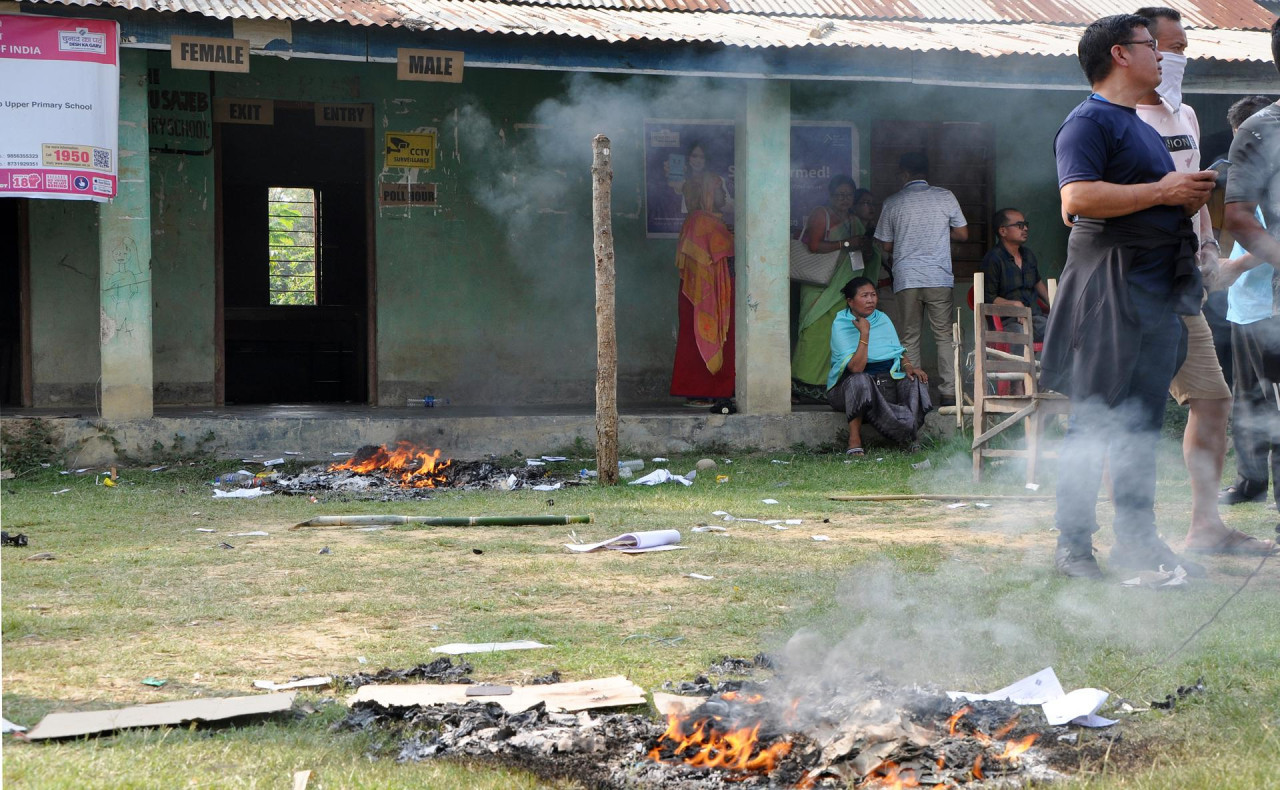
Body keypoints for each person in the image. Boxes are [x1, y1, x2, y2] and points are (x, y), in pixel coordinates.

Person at [1044, 14, 1217, 579]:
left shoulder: (1138, 125)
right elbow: (1077, 200)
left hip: (1155, 287)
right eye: (1152, 47)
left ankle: (1138, 540)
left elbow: (1147, 197)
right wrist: (1164, 190)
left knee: (1141, 420)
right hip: (1109, 285)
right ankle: (1073, 548)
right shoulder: (1087, 123)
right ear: (1120, 54)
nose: (1163, 57)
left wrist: (1184, 199)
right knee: (1094, 417)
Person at [1128, 7, 1272, 556]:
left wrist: (1209, 249)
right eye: (1172, 47)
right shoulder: (1113, 121)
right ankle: (1127, 540)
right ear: (1135, 49)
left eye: (1185, 48)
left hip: (1183, 286)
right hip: (1133, 286)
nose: (1180, 59)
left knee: (1213, 399)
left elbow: (1198, 202)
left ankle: (1205, 527)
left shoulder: (1184, 116)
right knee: (1125, 413)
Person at [1223, 24, 1280, 517]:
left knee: (1263, 403)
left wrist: (1230, 266)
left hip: (1261, 303)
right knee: (1252, 403)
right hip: (1252, 305)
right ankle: (1251, 480)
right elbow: (1244, 224)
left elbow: (1258, 241)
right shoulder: (1260, 142)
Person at [874, 152, 967, 407]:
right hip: (938, 276)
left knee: (910, 336)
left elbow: (886, 244)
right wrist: (937, 233)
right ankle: (950, 392)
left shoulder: (893, 202)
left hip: (906, 278)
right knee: (944, 336)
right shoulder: (945, 196)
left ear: (904, 174)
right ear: (926, 173)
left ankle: (914, 392)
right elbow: (962, 233)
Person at [791, 176, 880, 402]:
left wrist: (867, 249)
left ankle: (828, 385)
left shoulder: (853, 219)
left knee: (837, 335)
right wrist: (847, 243)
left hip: (843, 288)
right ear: (830, 196)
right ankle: (803, 385)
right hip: (820, 288)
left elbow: (862, 253)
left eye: (848, 195)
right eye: (839, 195)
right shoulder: (822, 214)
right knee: (814, 334)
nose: (844, 199)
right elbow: (813, 245)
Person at [825, 277, 932, 454]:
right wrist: (864, 333)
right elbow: (856, 368)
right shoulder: (840, 324)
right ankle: (854, 439)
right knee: (860, 380)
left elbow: (897, 350)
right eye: (864, 296)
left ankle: (909, 436)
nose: (870, 300)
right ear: (850, 301)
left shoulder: (882, 318)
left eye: (873, 295)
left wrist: (908, 366)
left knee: (916, 381)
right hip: (848, 391)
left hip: (885, 385)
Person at [670, 141, 735, 404]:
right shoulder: (702, 221)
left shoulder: (706, 220)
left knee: (715, 339)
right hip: (703, 295)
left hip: (711, 292)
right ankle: (703, 390)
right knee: (697, 340)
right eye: (720, 190)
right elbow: (720, 257)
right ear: (707, 192)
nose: (724, 197)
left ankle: (715, 389)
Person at [981, 208, 1050, 342]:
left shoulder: (1028, 255)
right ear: (1003, 231)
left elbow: (1037, 282)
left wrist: (1055, 304)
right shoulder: (993, 259)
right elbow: (988, 297)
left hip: (1034, 317)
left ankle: (1047, 364)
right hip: (1007, 321)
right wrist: (1014, 305)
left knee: (1057, 329)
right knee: (1019, 335)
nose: (1025, 229)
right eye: (1019, 225)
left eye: (1025, 225)